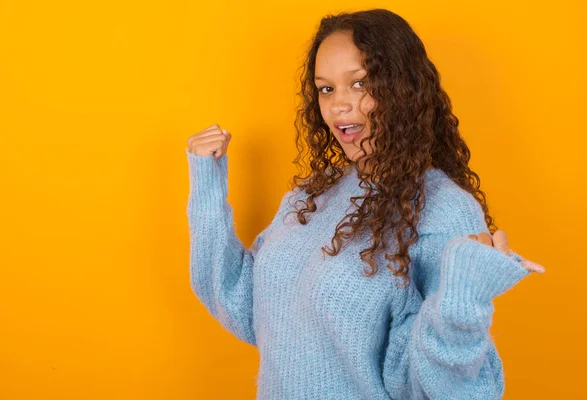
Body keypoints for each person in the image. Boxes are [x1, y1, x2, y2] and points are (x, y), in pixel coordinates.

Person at [185, 8, 545, 400]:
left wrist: (462, 306)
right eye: (326, 89)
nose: (338, 105)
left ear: (402, 89)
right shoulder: (310, 196)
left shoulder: (443, 211)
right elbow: (241, 304)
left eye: (360, 84)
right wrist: (207, 186)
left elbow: (447, 392)